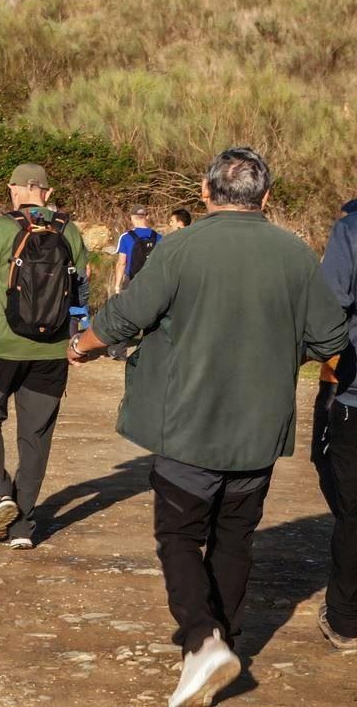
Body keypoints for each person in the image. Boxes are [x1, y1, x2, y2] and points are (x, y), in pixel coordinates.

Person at [69, 149, 346, 704]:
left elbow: (125, 316)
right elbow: (330, 340)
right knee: (235, 539)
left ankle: (202, 643)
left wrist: (83, 346)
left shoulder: (181, 248)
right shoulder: (295, 254)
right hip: (259, 430)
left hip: (187, 426)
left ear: (205, 191)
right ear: (265, 197)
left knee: (178, 537)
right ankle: (226, 641)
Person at [0, 163, 89, 552]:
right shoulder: (69, 230)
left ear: (15, 190)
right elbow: (81, 296)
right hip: (51, 352)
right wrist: (74, 339)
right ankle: (22, 525)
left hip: (2, 346)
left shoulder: (3, 227)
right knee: (35, 436)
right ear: (47, 193)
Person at [318, 197, 357, 648]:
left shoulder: (350, 231)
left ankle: (346, 619)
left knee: (353, 510)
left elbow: (330, 305)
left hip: (353, 391)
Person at [115, 206, 163, 294]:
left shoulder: (126, 237)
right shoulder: (158, 237)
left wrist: (117, 286)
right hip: (152, 282)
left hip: (132, 281)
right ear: (147, 217)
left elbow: (121, 263)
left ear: (132, 218)